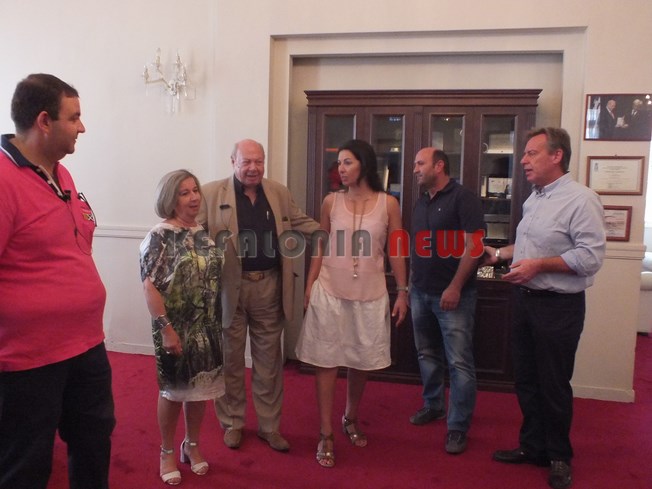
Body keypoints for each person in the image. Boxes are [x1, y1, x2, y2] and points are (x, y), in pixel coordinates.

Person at [0, 74, 115, 489]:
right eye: (74, 117)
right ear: (44, 121)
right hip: (29, 359)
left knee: (93, 440)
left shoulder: (62, 174)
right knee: (26, 463)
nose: (82, 127)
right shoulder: (3, 179)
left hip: (86, 344)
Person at [485, 128, 605, 489]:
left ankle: (559, 456)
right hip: (524, 302)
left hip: (559, 307)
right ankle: (533, 446)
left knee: (553, 384)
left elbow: (590, 258)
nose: (523, 160)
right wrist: (499, 254)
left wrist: (539, 266)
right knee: (525, 380)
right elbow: (528, 248)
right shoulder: (533, 199)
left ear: (556, 156)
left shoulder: (581, 200)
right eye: (524, 153)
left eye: (531, 153)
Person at [199, 139, 319, 452]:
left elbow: (300, 222)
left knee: (269, 363)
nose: (253, 168)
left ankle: (269, 427)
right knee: (230, 360)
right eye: (247, 162)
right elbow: (192, 234)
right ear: (233, 162)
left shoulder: (278, 192)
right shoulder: (211, 194)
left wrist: (334, 235)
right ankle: (232, 423)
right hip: (229, 291)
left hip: (270, 287)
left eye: (259, 162)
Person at [295, 139, 408, 468]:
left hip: (370, 294)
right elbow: (321, 244)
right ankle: (325, 432)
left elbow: (396, 249)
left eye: (348, 162)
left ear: (364, 165)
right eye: (339, 163)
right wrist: (310, 283)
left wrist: (403, 291)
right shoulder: (331, 201)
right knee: (326, 360)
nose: (341, 169)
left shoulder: (388, 204)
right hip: (329, 289)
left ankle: (350, 416)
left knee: (361, 361)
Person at [140, 170, 225, 485]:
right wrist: (166, 329)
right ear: (170, 199)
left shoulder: (202, 231)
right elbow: (149, 286)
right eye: (184, 193)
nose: (193, 198)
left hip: (207, 325)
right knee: (174, 391)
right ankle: (166, 451)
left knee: (200, 390)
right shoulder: (160, 235)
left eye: (195, 190)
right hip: (175, 327)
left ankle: (191, 445)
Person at [408, 147, 484, 455]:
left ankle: (458, 426)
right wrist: (410, 284)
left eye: (420, 163)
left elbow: (474, 246)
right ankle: (434, 405)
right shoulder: (421, 201)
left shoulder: (463, 198)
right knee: (426, 353)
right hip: (420, 292)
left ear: (439, 165)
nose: (415, 169)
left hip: (454, 296)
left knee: (459, 363)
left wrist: (454, 287)